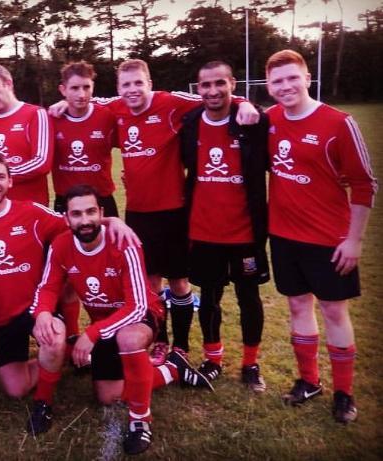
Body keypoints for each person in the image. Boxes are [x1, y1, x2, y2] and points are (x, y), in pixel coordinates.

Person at [49, 59, 259, 366]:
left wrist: (243, 103)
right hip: (137, 213)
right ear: (118, 89)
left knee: (179, 282)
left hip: (174, 212)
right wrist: (61, 103)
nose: (133, 89)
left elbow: (212, 96)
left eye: (139, 83)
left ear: (150, 83)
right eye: (126, 84)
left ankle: (181, 345)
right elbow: (86, 99)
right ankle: (160, 341)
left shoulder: (170, 103)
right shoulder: (116, 108)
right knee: (149, 284)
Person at [0, 154, 139, 435]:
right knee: (15, 389)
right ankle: (64, 355)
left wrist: (112, 221)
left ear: (10, 181)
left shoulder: (32, 212)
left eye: (0, 177)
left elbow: (78, 220)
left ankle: (46, 393)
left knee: (52, 336)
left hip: (38, 308)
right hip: (2, 319)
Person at [32, 185, 213, 455]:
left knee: (127, 338)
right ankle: (173, 370)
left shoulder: (123, 242)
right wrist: (43, 313)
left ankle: (140, 420)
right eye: (77, 214)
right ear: (67, 218)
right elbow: (47, 287)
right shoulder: (61, 245)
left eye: (91, 212)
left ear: (101, 213)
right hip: (106, 324)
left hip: (141, 317)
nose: (85, 220)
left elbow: (137, 306)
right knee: (109, 396)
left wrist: (92, 333)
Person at [264, 50, 376, 423]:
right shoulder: (270, 119)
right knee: (298, 306)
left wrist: (354, 240)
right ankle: (309, 381)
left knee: (333, 310)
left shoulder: (339, 123)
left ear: (307, 79)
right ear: (269, 86)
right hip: (283, 236)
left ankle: (344, 393)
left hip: (329, 239)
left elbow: (365, 185)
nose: (286, 86)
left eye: (292, 78)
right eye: (278, 81)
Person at [179, 61, 271, 391]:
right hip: (203, 231)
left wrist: (248, 104)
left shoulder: (252, 120)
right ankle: (213, 359)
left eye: (220, 83)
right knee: (209, 297)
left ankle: (250, 364)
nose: (213, 90)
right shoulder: (190, 122)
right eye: (206, 85)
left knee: (249, 297)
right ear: (198, 88)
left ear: (233, 83)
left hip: (245, 231)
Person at [51, 60, 119, 347]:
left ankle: (109, 330)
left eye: (86, 88)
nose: (81, 94)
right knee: (67, 273)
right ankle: (70, 335)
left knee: (109, 269)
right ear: (62, 89)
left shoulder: (107, 115)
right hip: (66, 206)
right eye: (74, 88)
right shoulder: (52, 118)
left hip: (102, 202)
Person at [0, 60, 53, 206]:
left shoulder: (35, 114)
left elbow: (41, 163)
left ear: (8, 84)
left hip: (31, 207)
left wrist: (0, 176)